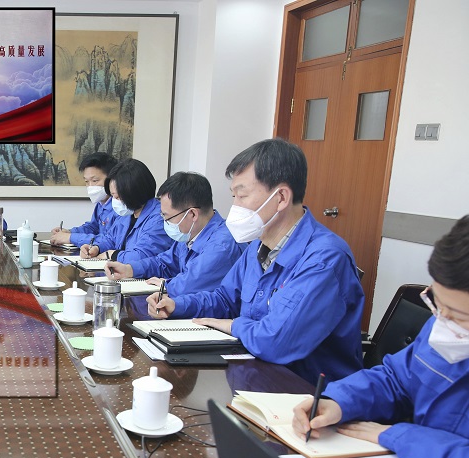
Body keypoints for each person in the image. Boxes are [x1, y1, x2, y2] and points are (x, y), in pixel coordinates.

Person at [147, 139, 364, 383]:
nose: (235, 207)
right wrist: (177, 305)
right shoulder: (258, 247)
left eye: (242, 196)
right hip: (253, 373)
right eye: (234, 196)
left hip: (306, 391)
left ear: (281, 197)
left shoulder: (325, 259)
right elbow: (225, 299)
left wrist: (233, 326)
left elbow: (276, 340)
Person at [292, 215, 469, 458]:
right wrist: (339, 402)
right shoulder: (445, 326)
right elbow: (397, 379)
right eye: (436, 302)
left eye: (459, 316)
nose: (442, 320)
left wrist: (399, 437)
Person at [103, 172, 245, 296]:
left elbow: (190, 284)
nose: (164, 222)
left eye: (167, 217)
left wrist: (167, 285)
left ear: (192, 214)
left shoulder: (222, 245)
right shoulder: (190, 233)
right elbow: (164, 263)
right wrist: (130, 269)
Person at [78, 158, 170, 264]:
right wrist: (96, 248)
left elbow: (142, 255)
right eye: (112, 196)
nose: (114, 202)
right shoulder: (127, 213)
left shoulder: (159, 218)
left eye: (118, 197)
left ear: (134, 192)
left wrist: (112, 254)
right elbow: (110, 239)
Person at [49, 152, 121, 246]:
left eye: (95, 181)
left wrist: (71, 238)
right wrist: (70, 232)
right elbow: (93, 227)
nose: (90, 186)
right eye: (86, 181)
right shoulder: (101, 203)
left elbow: (110, 240)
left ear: (111, 179)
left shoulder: (120, 206)